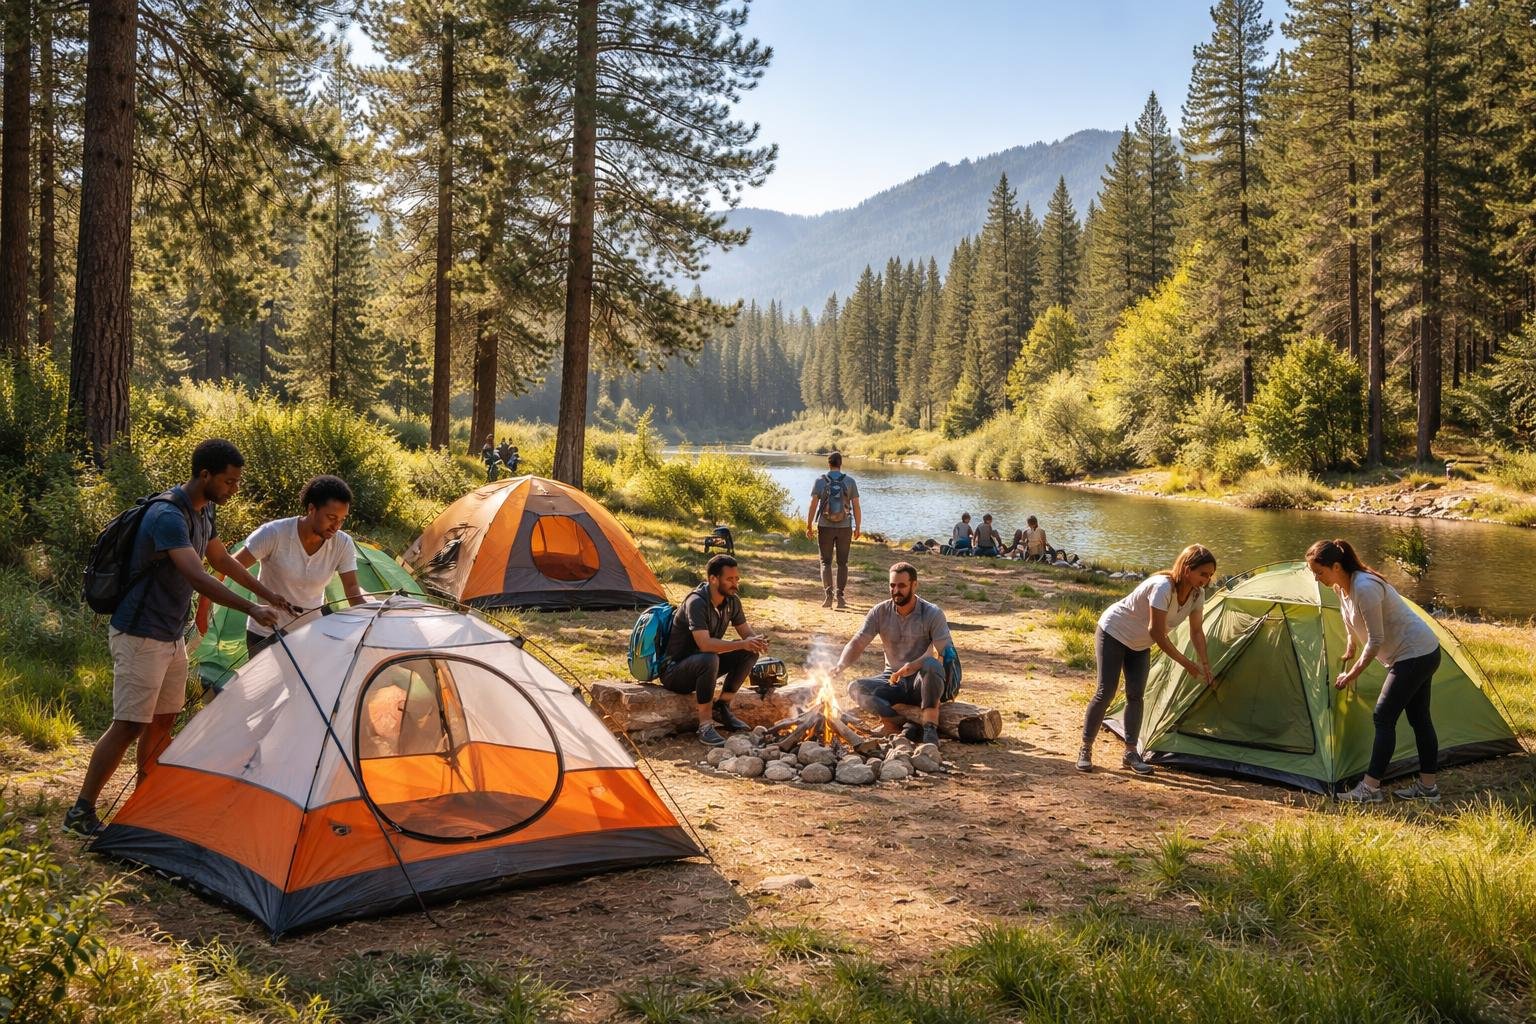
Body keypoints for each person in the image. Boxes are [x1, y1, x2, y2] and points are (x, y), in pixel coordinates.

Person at [63, 440, 290, 836]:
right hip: (140, 632)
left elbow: (221, 561)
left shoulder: (205, 512)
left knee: (164, 720)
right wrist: (251, 609)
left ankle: (146, 802)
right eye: (229, 481)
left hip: (171, 635)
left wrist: (270, 594)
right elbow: (196, 574)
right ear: (205, 475)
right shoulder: (168, 515)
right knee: (130, 724)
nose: (234, 489)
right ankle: (80, 811)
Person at [1306, 538, 1444, 804]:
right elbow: (1351, 621)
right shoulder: (1340, 587)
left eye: (1319, 572)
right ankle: (1429, 789)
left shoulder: (1365, 587)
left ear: (1336, 566)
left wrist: (1352, 674)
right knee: (1419, 719)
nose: (1316, 578)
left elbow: (1376, 639)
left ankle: (1370, 789)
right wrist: (1350, 646)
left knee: (1383, 717)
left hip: (1416, 654)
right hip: (1416, 653)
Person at [1078, 544, 1217, 775]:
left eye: (1210, 575)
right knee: (1106, 691)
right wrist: (1186, 663)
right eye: (1203, 574)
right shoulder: (1163, 587)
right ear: (1187, 568)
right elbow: (1157, 633)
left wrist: (1204, 664)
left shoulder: (1197, 595)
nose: (1207, 580)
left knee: (1136, 695)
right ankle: (1085, 747)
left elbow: (1196, 632)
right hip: (1114, 631)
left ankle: (1131, 753)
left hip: (1139, 644)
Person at [233, 475, 367, 661]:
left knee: (302, 689)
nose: (336, 526)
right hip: (266, 632)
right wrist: (261, 598)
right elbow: (231, 566)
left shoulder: (342, 544)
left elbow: (352, 589)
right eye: (331, 517)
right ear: (311, 509)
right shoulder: (274, 533)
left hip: (309, 633)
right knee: (266, 689)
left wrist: (373, 620)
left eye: (342, 520)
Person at [836, 562, 956, 748]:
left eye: (902, 586)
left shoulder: (932, 613)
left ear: (914, 585)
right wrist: (840, 665)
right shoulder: (880, 611)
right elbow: (858, 642)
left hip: (921, 682)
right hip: (892, 680)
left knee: (932, 666)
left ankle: (929, 728)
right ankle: (897, 722)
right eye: (892, 585)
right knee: (855, 688)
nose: (896, 590)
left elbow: (947, 654)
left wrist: (914, 665)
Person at [660, 554, 770, 746]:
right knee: (709, 657)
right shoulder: (696, 602)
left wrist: (756, 642)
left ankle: (722, 707)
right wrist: (742, 643)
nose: (735, 584)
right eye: (729, 579)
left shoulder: (732, 601)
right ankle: (705, 725)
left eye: (737, 579)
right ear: (713, 579)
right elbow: (705, 644)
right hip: (676, 672)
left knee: (749, 651)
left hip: (704, 665)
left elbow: (746, 634)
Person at [805, 450, 861, 609]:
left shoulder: (820, 481)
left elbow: (813, 505)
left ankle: (828, 596)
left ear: (828, 464)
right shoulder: (850, 481)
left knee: (825, 562)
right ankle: (841, 598)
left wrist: (809, 525)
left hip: (825, 526)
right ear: (840, 464)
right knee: (842, 563)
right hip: (845, 527)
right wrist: (858, 526)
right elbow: (856, 506)